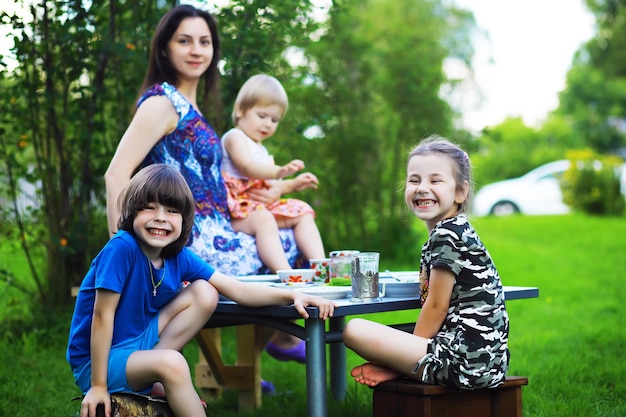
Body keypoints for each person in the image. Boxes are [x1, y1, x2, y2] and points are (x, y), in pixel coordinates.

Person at [103, 4, 310, 390]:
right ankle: (153, 371)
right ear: (165, 49)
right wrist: (125, 247)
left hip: (217, 227)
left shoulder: (192, 108)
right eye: (185, 41)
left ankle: (248, 366)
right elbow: (116, 174)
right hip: (188, 236)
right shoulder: (162, 102)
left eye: (205, 41)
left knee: (289, 237)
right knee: (284, 256)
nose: (196, 50)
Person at [67, 164, 337, 417]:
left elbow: (237, 290)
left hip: (140, 340)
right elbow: (102, 317)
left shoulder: (178, 256)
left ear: (184, 220)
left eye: (172, 211)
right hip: (97, 360)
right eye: (149, 208)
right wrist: (98, 385)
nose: (161, 218)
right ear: (131, 213)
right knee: (173, 363)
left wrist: (292, 294)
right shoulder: (121, 248)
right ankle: (156, 372)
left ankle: (150, 375)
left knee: (205, 291)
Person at [343, 135, 509, 390]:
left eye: (435, 180)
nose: (422, 188)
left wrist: (403, 354)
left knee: (353, 329)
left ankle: (400, 369)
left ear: (460, 191)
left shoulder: (446, 234)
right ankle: (403, 368)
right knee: (394, 331)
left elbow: (436, 306)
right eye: (414, 180)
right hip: (488, 364)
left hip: (464, 363)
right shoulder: (456, 229)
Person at [221, 74, 325, 271]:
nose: (268, 124)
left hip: (260, 207)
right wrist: (279, 171)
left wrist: (293, 184)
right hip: (238, 212)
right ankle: (285, 272)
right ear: (241, 110)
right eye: (262, 116)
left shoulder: (262, 150)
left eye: (274, 119)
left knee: (303, 211)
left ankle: (321, 267)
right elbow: (247, 167)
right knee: (264, 219)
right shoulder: (235, 137)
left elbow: (270, 187)